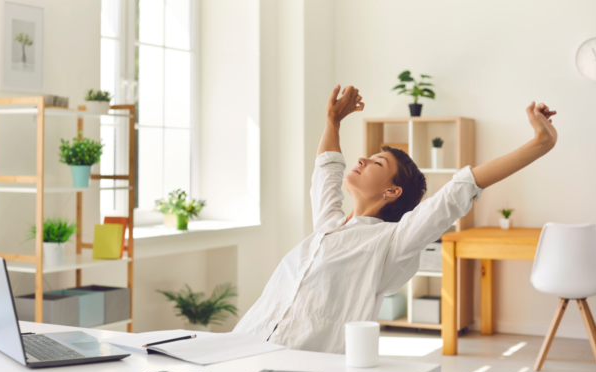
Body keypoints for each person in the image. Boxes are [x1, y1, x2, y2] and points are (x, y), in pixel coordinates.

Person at [234, 84, 557, 354]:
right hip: (244, 342)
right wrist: (333, 120)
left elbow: (461, 187)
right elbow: (327, 170)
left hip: (301, 362)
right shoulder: (328, 226)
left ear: (392, 191)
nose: (362, 159)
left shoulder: (392, 241)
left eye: (376, 163)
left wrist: (541, 143)